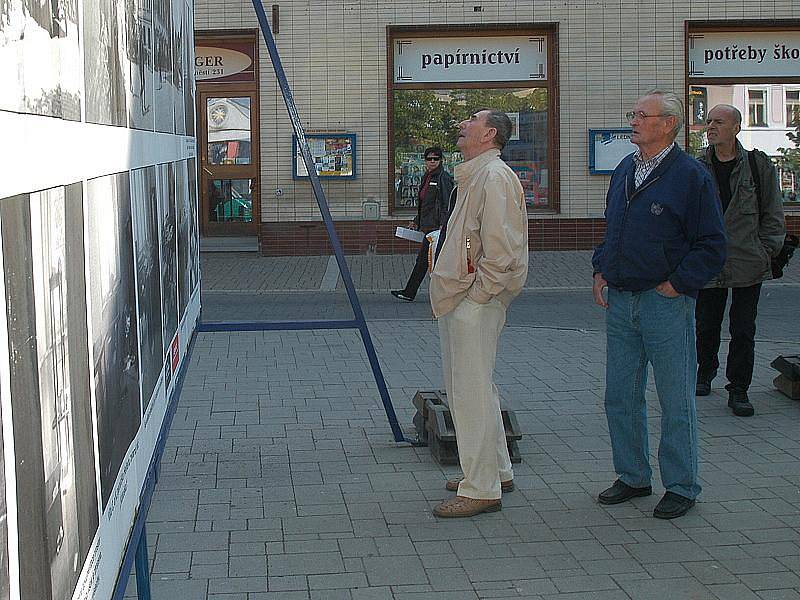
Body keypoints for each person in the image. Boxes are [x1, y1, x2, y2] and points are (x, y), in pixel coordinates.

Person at [591, 90, 726, 519]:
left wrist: (677, 284)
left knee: (675, 398)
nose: (633, 121)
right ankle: (633, 476)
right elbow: (613, 227)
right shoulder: (625, 169)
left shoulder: (691, 176)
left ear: (668, 123)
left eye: (641, 115)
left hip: (664, 303)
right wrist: (601, 268)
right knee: (621, 396)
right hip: (622, 300)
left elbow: (712, 244)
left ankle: (682, 485)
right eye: (633, 114)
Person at [429, 109, 528, 518]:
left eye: (470, 119)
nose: (461, 123)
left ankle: (481, 487)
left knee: (468, 393)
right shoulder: (479, 174)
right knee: (475, 388)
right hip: (464, 296)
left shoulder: (493, 177)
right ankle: (495, 470)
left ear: (488, 134)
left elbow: (502, 250)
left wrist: (479, 295)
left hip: (474, 300)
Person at [695, 104, 786, 416]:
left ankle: (739, 389)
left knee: (743, 329)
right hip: (709, 261)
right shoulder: (697, 167)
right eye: (708, 122)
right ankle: (705, 372)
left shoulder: (758, 166)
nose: (710, 127)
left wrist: (767, 250)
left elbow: (773, 212)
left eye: (718, 122)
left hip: (748, 260)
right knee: (706, 324)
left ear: (735, 127)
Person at [391, 147, 454, 301]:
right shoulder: (428, 177)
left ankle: (412, 292)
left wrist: (443, 225)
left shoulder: (442, 178)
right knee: (427, 260)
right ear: (425, 160)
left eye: (436, 159)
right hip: (428, 225)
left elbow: (447, 203)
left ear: (441, 160)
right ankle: (411, 292)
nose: (432, 161)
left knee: (427, 260)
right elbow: (426, 204)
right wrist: (416, 221)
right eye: (429, 159)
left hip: (436, 227)